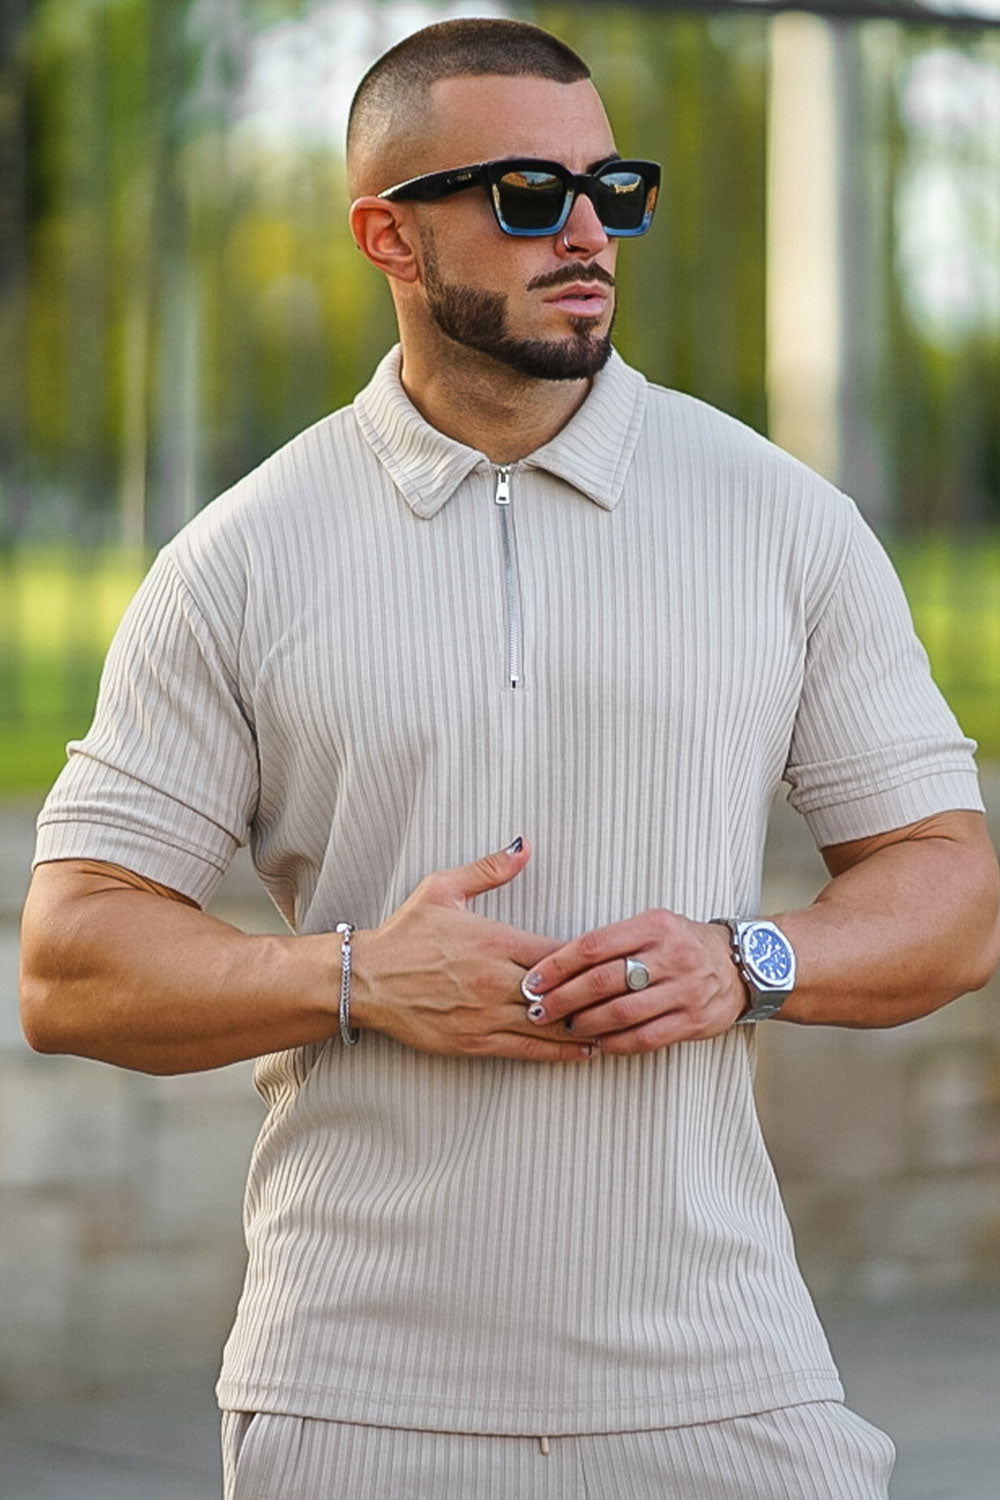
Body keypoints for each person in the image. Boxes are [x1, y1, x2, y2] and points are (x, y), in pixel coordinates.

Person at [19, 17, 999, 1500]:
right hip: (352, 1403)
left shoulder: (787, 523)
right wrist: (355, 979)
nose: (588, 232)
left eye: (615, 189)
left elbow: (952, 891)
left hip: (727, 1388)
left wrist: (746, 961)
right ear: (388, 236)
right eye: (529, 196)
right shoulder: (237, 562)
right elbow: (70, 962)